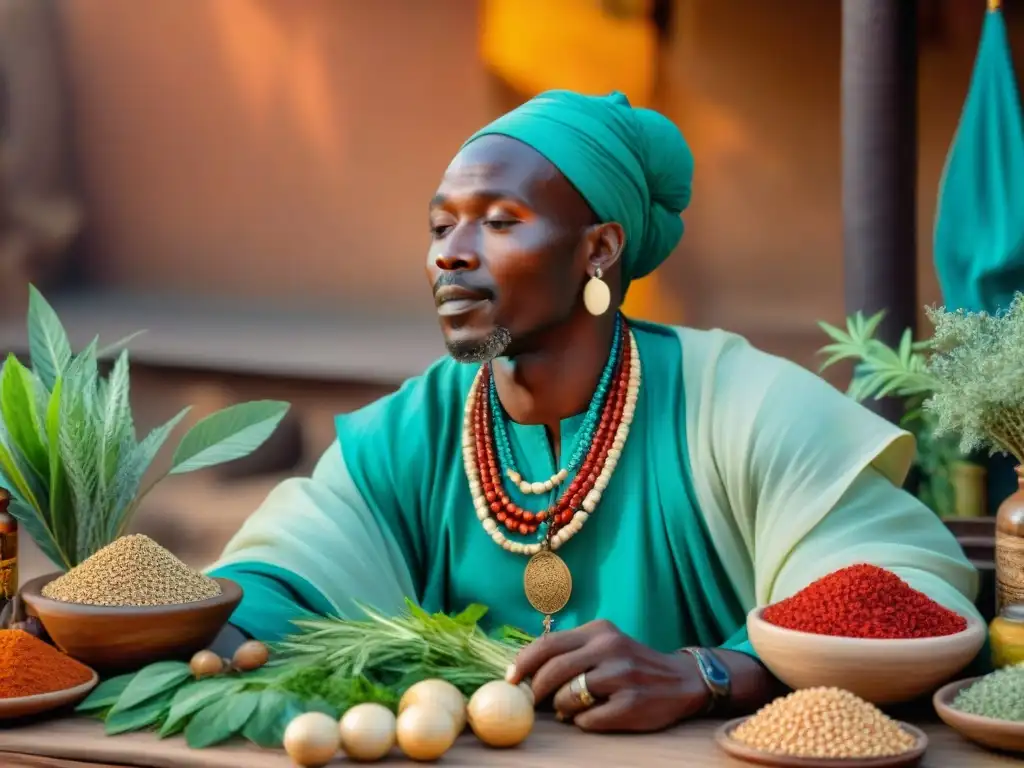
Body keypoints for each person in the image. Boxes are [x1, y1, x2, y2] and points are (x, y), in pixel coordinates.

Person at [207, 90, 982, 732]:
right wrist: (202, 628)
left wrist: (712, 671)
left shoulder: (740, 406)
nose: (451, 251)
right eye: (442, 225)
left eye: (499, 221)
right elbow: (282, 573)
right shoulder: (411, 433)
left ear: (600, 249)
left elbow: (901, 592)